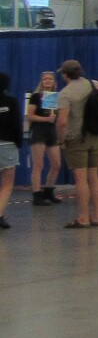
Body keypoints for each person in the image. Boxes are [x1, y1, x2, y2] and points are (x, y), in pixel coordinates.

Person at [54, 58, 98, 230]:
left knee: (81, 179)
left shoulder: (65, 94)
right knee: (94, 177)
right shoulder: (96, 84)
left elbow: (61, 122)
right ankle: (96, 216)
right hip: (96, 136)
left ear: (65, 75)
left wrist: (61, 141)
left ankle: (83, 218)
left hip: (76, 138)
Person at [27, 71, 60, 205]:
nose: (47, 81)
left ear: (54, 81)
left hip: (51, 132)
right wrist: (46, 119)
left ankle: (49, 190)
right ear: (41, 82)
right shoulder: (36, 96)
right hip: (39, 131)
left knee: (56, 164)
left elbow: (56, 118)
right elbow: (30, 116)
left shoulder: (55, 97)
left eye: (49, 79)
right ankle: (36, 194)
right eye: (45, 79)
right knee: (38, 165)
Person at [0, 71, 21, 229]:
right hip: (7, 145)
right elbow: (17, 124)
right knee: (7, 184)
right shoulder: (11, 101)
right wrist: (19, 143)